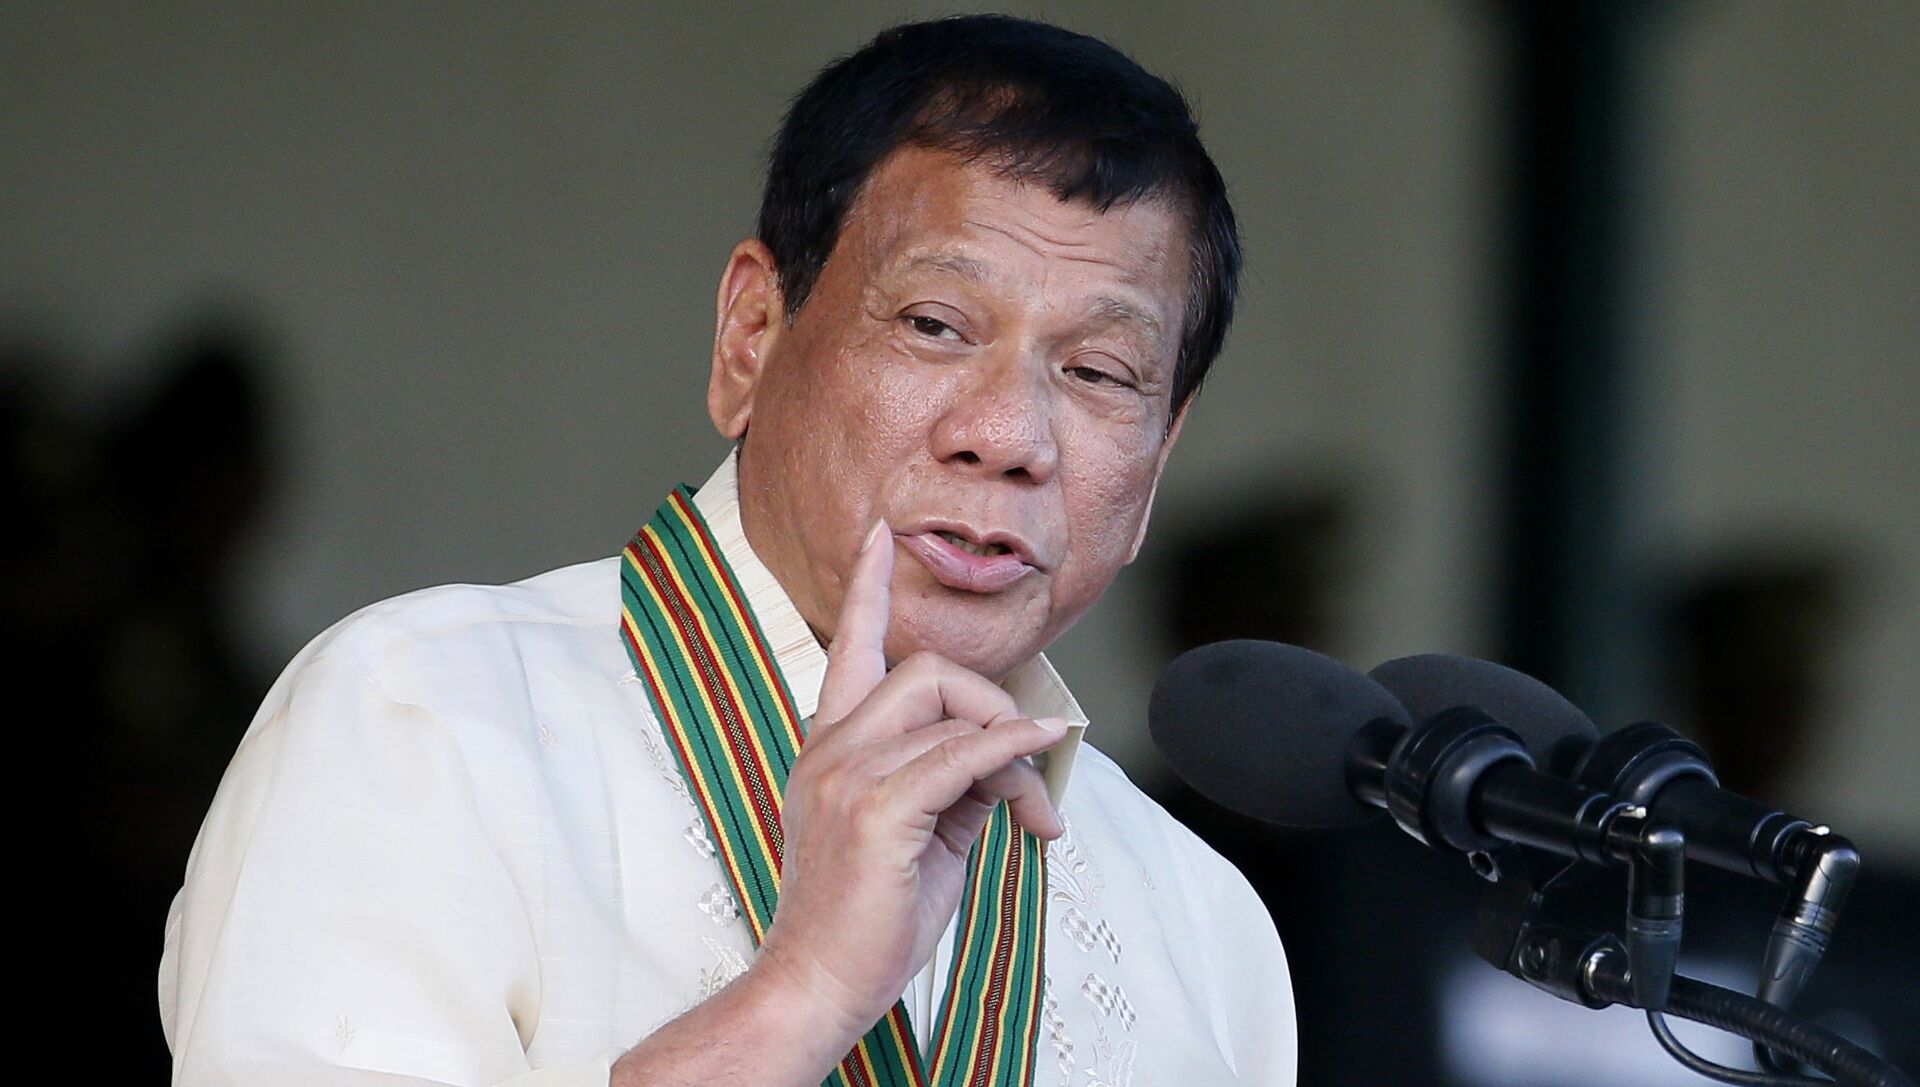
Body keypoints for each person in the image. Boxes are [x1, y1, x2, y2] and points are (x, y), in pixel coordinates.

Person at [160, 15, 1295, 1086]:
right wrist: (801, 994)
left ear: (1159, 454)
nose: (1007, 436)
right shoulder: (424, 721)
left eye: (1099, 373)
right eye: (935, 325)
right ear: (752, 334)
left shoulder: (1203, 923)